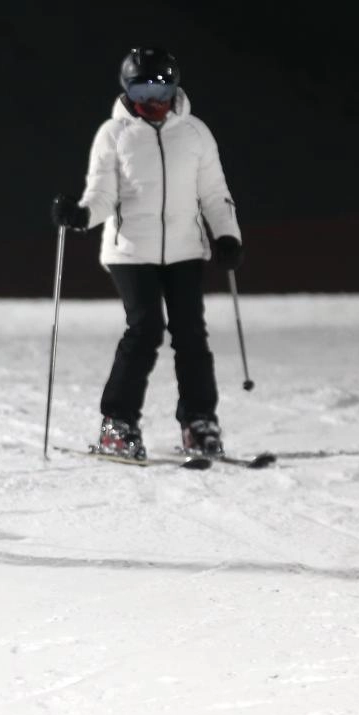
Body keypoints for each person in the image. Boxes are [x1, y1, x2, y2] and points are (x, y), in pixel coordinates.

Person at [49, 47, 243, 460]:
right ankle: (117, 424)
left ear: (175, 88)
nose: (151, 100)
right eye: (140, 90)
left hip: (185, 250)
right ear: (126, 90)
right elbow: (101, 195)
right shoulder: (114, 134)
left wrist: (227, 236)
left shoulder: (195, 134)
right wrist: (81, 215)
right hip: (131, 252)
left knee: (191, 334)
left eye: (160, 89)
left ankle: (199, 422)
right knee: (146, 328)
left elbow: (214, 193)